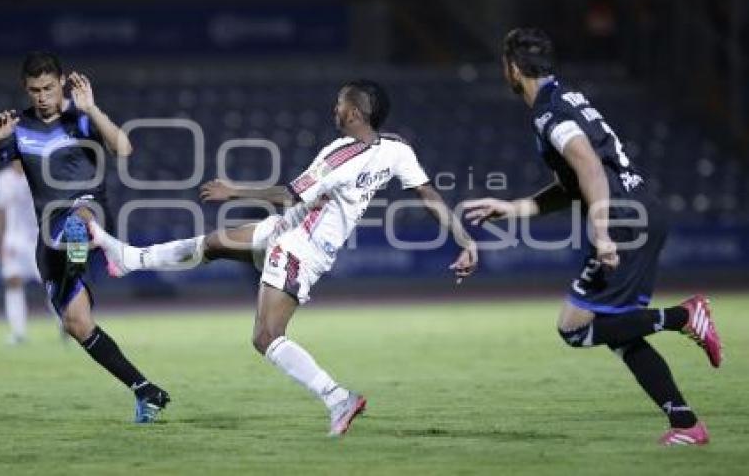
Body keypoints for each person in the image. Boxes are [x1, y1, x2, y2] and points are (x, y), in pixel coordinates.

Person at [89, 80, 478, 436]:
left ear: (356, 113)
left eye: (341, 103)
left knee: (266, 336)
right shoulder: (396, 150)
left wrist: (234, 191)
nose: (335, 109)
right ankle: (129, 259)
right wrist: (465, 240)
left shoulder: (340, 155)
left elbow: (292, 194)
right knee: (213, 244)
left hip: (297, 247)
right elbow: (428, 195)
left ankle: (337, 398)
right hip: (285, 231)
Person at [463, 28, 722, 446]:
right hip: (638, 213)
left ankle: (684, 316)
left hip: (622, 222)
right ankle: (686, 424)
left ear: (511, 69)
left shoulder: (550, 112)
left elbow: (590, 168)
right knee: (619, 332)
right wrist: (515, 208)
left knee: (574, 329)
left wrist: (602, 233)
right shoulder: (564, 99)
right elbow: (574, 184)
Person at [0, 52, 170, 423]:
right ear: (25, 89)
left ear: (62, 82)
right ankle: (145, 391)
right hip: (48, 236)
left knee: (80, 214)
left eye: (48, 87)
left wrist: (93, 109)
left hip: (89, 212)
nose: (42, 96)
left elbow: (124, 147)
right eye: (34, 90)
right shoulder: (18, 128)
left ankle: (83, 242)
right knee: (76, 323)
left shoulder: (81, 117)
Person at [0, 160, 41, 344]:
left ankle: (65, 324)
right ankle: (18, 331)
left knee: (50, 283)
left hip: (37, 238)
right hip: (12, 239)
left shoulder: (38, 174)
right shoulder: (3, 179)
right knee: (13, 281)